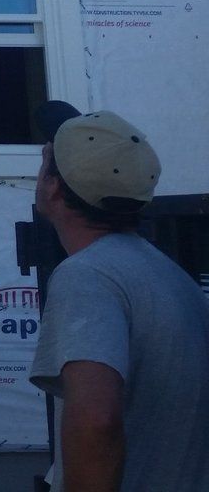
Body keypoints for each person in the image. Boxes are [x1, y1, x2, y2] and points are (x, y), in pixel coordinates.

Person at [29, 110, 209, 491]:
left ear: (55, 189)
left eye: (46, 161)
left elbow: (97, 421)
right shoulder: (168, 275)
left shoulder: (88, 276)